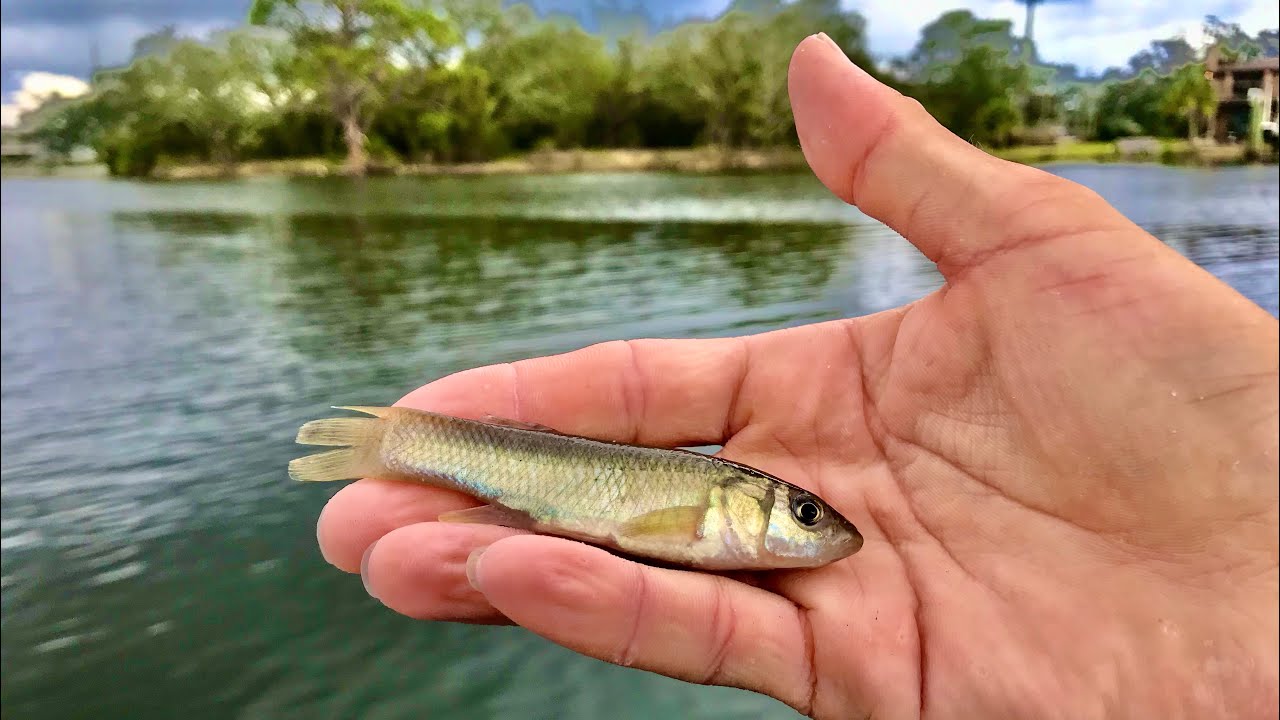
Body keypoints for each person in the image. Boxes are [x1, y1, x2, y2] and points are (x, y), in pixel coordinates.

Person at [313, 34, 1279, 719]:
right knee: (456, 522)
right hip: (521, 473)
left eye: (804, 514)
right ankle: (402, 442)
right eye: (800, 516)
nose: (810, 528)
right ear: (750, 504)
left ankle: (403, 443)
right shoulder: (721, 509)